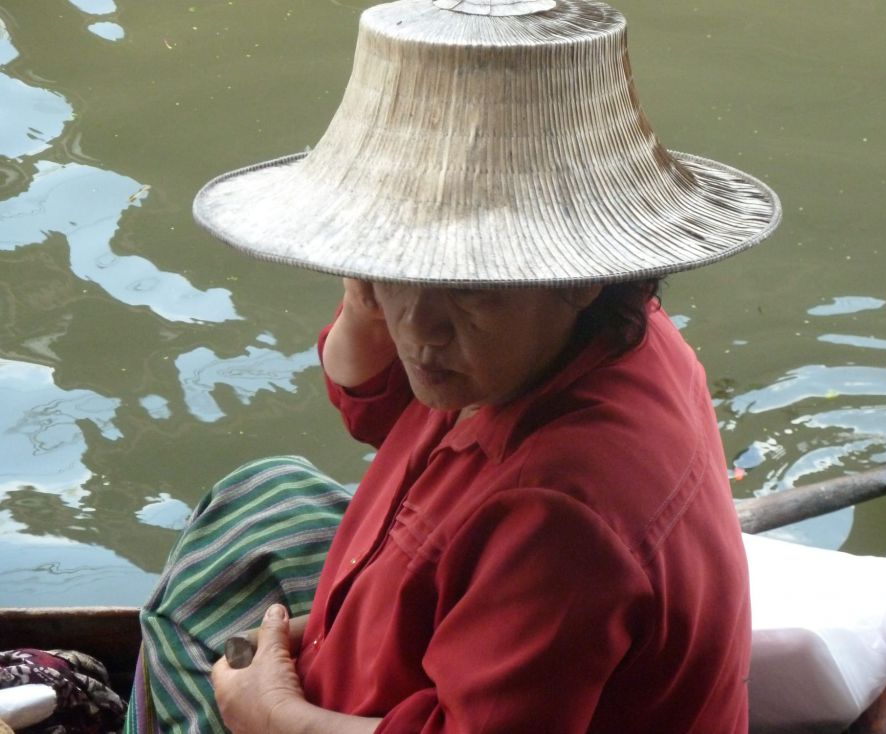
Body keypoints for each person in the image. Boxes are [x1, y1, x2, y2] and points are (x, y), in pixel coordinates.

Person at [129, 0, 781, 731]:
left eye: (469, 289)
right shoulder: (579, 332)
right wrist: (367, 279)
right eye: (398, 273)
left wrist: (274, 715)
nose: (420, 330)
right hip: (435, 606)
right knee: (262, 492)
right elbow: (374, 402)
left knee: (178, 661)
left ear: (577, 275)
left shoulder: (560, 514)